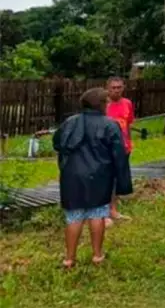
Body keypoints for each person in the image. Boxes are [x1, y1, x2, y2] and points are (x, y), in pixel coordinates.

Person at [53, 87, 133, 269]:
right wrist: (122, 181)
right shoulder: (110, 125)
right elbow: (119, 155)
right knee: (97, 214)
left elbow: (57, 143)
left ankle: (69, 259)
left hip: (72, 176)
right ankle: (97, 255)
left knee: (73, 216)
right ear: (101, 104)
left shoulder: (69, 122)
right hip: (100, 176)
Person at [105, 76, 135, 223]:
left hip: (123, 148)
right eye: (113, 88)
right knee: (105, 179)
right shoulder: (103, 105)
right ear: (108, 89)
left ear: (123, 88)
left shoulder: (127, 103)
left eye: (119, 87)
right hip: (106, 149)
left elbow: (128, 124)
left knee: (117, 179)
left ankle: (113, 209)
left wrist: (128, 143)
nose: (116, 90)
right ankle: (102, 212)